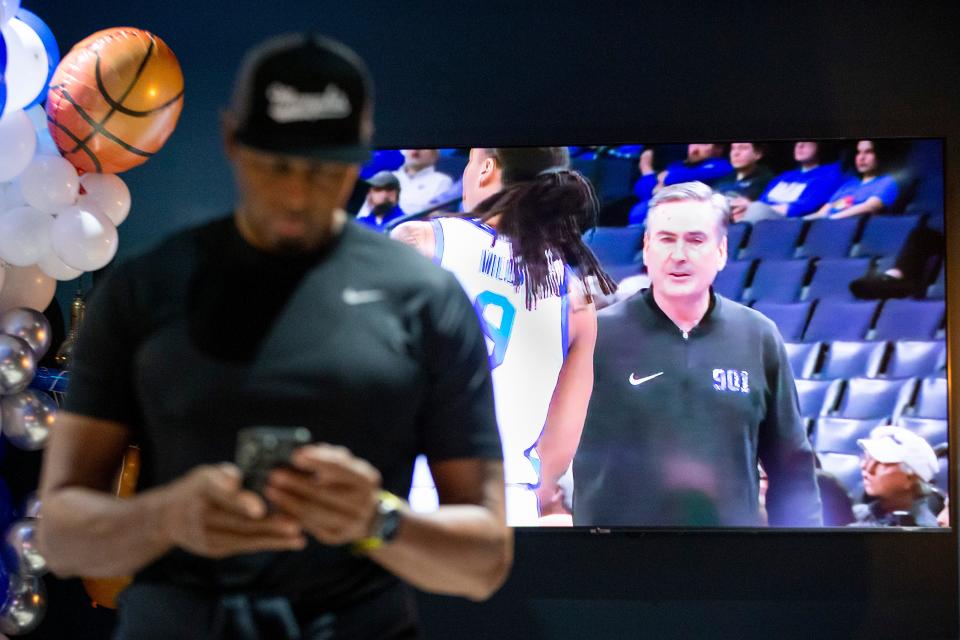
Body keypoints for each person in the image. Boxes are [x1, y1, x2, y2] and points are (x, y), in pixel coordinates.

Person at [37, 33, 511, 640]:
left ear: (359, 155)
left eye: (323, 170)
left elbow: (485, 560)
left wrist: (377, 519)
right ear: (233, 141)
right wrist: (169, 517)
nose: (296, 193)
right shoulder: (147, 290)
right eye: (277, 164)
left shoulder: (424, 300)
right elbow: (62, 536)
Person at [573, 181, 823, 527]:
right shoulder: (595, 334)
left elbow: (791, 466)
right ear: (646, 249)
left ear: (721, 251)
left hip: (728, 564)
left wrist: (803, 562)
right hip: (619, 563)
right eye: (665, 239)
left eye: (695, 240)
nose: (679, 254)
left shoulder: (758, 335)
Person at [391, 147, 616, 525]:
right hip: (509, 506)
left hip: (412, 491)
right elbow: (559, 450)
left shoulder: (420, 241)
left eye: (470, 162)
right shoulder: (576, 298)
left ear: (486, 170)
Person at [851, 426, 941, 527]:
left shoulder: (925, 531)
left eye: (880, 462)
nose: (865, 467)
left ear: (912, 477)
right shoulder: (854, 514)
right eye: (867, 458)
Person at [628, 143, 732, 225]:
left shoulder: (720, 165)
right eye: (693, 144)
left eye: (703, 144)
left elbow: (673, 178)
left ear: (719, 149)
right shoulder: (676, 166)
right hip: (643, 223)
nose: (695, 149)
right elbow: (641, 190)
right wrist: (647, 170)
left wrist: (665, 182)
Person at [741, 140, 844, 222]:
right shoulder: (784, 176)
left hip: (791, 223)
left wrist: (754, 207)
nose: (800, 145)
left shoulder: (829, 175)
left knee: (756, 209)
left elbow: (804, 206)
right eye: (797, 142)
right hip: (762, 217)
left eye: (807, 141)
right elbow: (763, 200)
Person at [806, 139, 899, 219]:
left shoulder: (886, 182)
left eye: (868, 152)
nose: (861, 158)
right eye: (858, 152)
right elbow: (823, 212)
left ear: (879, 155)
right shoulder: (849, 184)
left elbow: (870, 207)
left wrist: (832, 219)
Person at [712, 142, 774, 222]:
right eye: (733, 148)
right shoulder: (725, 178)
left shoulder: (765, 179)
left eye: (743, 148)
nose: (736, 153)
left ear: (758, 154)